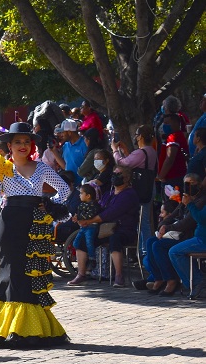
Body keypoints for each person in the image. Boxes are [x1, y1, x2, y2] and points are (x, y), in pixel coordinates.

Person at [0, 122, 70, 348]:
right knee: (10, 271)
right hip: (9, 223)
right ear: (9, 146)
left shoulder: (41, 167)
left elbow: (65, 190)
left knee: (29, 273)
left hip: (34, 225)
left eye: (26, 142)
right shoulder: (1, 168)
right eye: (17, 142)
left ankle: (28, 328)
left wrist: (49, 205)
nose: (23, 146)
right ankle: (8, 329)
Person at [74, 165, 140, 287]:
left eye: (118, 174)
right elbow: (98, 208)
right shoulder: (108, 194)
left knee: (115, 238)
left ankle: (119, 276)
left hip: (124, 230)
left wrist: (89, 221)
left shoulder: (129, 194)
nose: (115, 176)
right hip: (105, 229)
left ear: (126, 178)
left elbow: (111, 213)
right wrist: (82, 217)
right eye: (114, 173)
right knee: (82, 239)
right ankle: (81, 274)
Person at [112, 124, 158, 253]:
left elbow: (123, 163)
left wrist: (115, 150)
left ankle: (145, 251)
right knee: (144, 220)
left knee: (142, 221)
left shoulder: (142, 152)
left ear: (141, 137)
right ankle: (145, 249)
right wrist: (126, 151)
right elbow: (133, 161)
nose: (135, 137)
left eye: (137, 134)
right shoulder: (150, 151)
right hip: (148, 187)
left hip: (140, 188)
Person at [168, 176, 206, 298]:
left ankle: (196, 281)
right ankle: (194, 282)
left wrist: (189, 204)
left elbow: (200, 218)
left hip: (202, 240)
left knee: (174, 252)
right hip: (199, 237)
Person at [67, 184, 102, 284]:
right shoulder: (81, 204)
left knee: (89, 241)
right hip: (82, 227)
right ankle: (83, 263)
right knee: (76, 242)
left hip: (91, 226)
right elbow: (78, 213)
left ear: (88, 195)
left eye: (81, 193)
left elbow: (90, 215)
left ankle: (92, 259)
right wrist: (75, 217)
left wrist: (79, 217)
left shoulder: (94, 205)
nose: (79, 195)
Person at [157, 112, 190, 190]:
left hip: (173, 180)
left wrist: (161, 175)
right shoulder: (175, 136)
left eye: (167, 123)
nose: (164, 126)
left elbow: (170, 158)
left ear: (175, 123)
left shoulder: (174, 137)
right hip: (174, 178)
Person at [54, 119, 87, 185]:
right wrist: (54, 151)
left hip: (83, 187)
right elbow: (65, 166)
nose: (61, 135)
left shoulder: (85, 144)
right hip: (70, 187)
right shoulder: (66, 145)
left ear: (69, 132)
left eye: (63, 132)